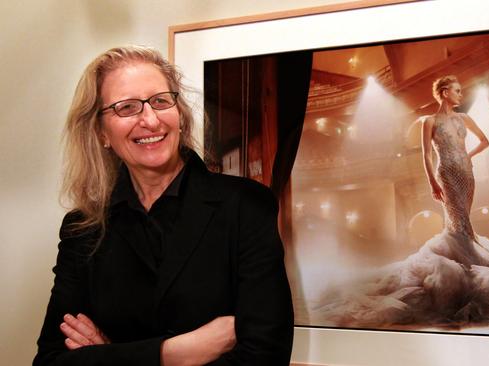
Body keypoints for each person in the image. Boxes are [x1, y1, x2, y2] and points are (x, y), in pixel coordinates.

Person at [34, 45, 294, 365]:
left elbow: (264, 356)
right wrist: (171, 353)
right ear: (102, 132)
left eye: (160, 101)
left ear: (180, 116)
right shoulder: (82, 228)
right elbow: (50, 360)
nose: (150, 120)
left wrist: (107, 354)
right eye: (127, 107)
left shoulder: (246, 206)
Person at [315, 75, 489, 327]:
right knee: (457, 225)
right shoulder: (428, 121)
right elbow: (426, 155)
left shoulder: (464, 118)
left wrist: (467, 155)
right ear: (445, 92)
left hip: (466, 174)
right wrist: (432, 182)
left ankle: (467, 272)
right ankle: (464, 279)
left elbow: (485, 140)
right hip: (446, 173)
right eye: (457, 90)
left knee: (464, 227)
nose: (460, 94)